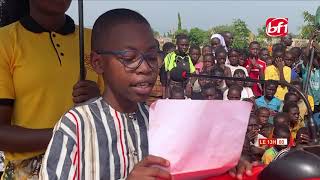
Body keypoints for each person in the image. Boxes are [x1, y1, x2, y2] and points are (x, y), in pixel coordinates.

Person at [41, 9, 254, 180]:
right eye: (129, 57)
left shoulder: (160, 121)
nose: (145, 68)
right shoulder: (76, 126)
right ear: (98, 63)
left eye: (151, 57)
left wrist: (226, 166)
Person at [0, 0, 103, 178]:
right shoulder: (5, 41)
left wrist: (100, 100)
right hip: (28, 172)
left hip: (90, 165)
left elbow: (120, 110)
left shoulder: (94, 40)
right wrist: (66, 135)